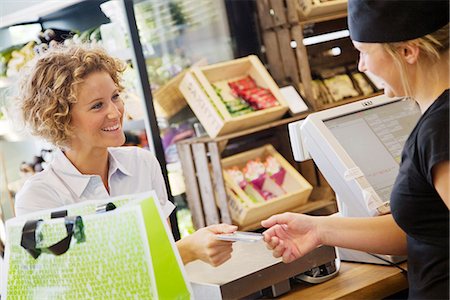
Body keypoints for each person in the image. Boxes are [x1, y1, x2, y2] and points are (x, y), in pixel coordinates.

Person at [262, 1, 449, 298]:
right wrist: (318, 230)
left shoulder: (440, 130)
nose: (362, 66)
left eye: (364, 52)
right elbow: (422, 229)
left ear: (407, 52)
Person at [14, 44, 236, 267]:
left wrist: (185, 250)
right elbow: (82, 284)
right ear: (60, 119)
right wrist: (187, 250)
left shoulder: (142, 163)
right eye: (97, 105)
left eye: (115, 96)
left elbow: (163, 253)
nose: (115, 112)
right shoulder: (38, 198)